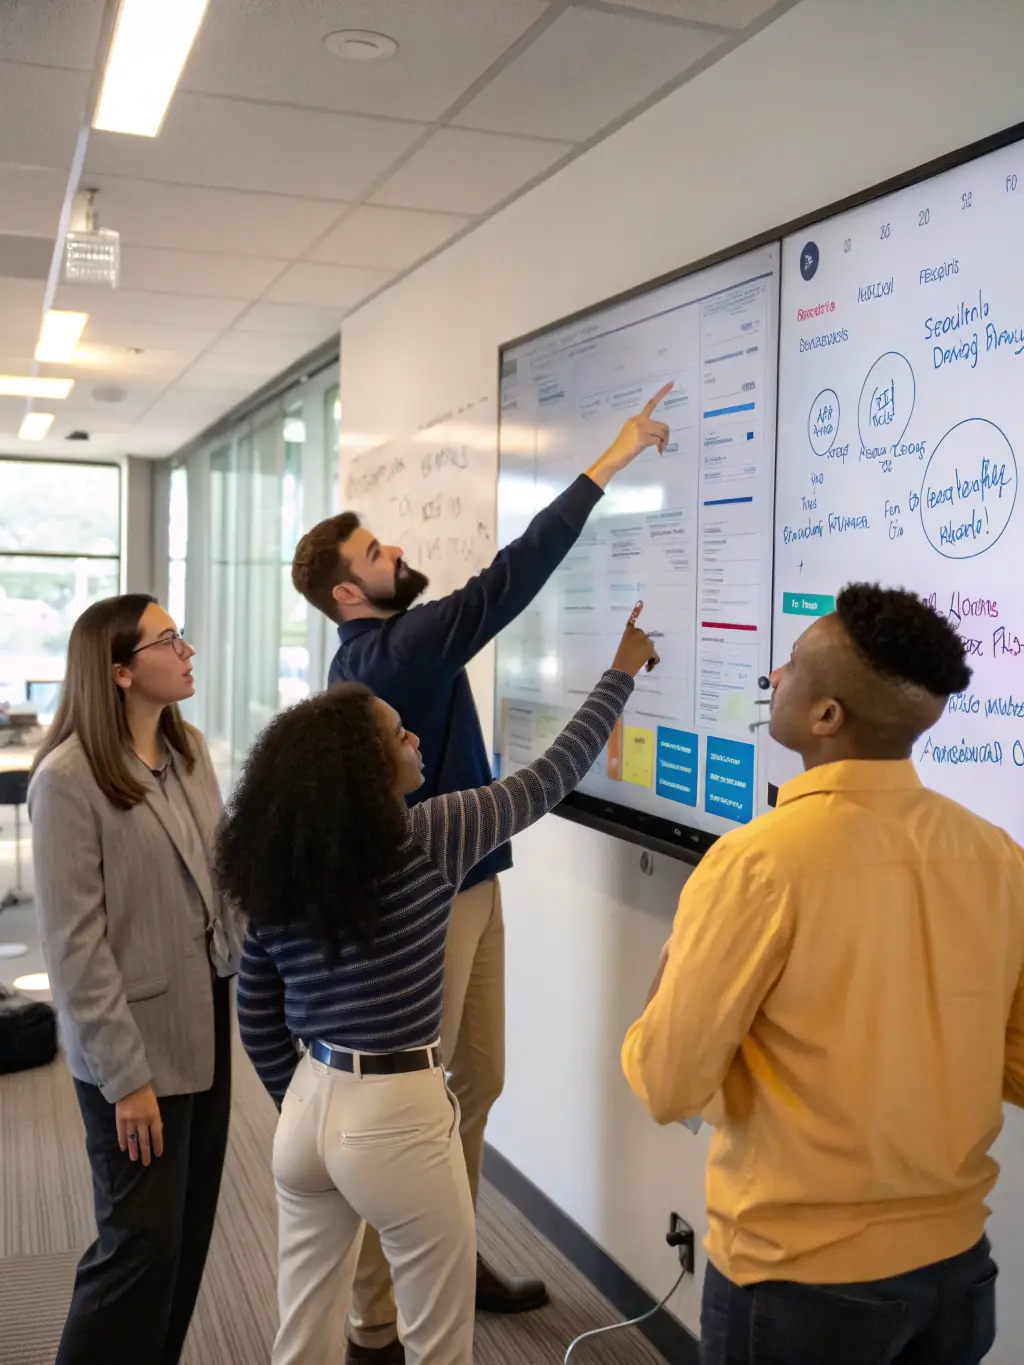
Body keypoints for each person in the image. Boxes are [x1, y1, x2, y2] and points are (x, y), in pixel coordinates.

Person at [289, 383, 672, 1359]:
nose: (400, 558)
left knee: (476, 1081)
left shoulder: (380, 649)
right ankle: (383, 1309)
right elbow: (514, 578)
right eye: (378, 556)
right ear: (346, 592)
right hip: (434, 904)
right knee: (421, 1106)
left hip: (472, 882)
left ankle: (444, 1253)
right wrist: (610, 459)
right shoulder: (395, 652)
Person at [219, 612, 659, 1365]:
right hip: (397, 1114)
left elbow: (256, 1011)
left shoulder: (280, 866)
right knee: (439, 1341)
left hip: (306, 1117)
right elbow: (551, 775)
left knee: (301, 1334)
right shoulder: (433, 834)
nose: (416, 737)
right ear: (366, 769)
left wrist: (305, 1096)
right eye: (398, 734)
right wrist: (618, 673)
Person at [621, 582, 1024, 1365]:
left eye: (794, 662)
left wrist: (668, 986)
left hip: (800, 1286)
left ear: (827, 716)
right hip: (956, 1272)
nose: (774, 675)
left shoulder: (758, 862)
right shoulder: (999, 856)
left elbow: (668, 1086)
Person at [28, 595, 242, 1365]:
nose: (187, 650)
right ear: (119, 671)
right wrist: (126, 1080)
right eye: (169, 639)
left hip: (205, 1022)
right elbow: (75, 950)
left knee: (183, 1238)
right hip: (131, 1048)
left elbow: (221, 887)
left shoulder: (188, 756)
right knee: (137, 1246)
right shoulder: (68, 780)